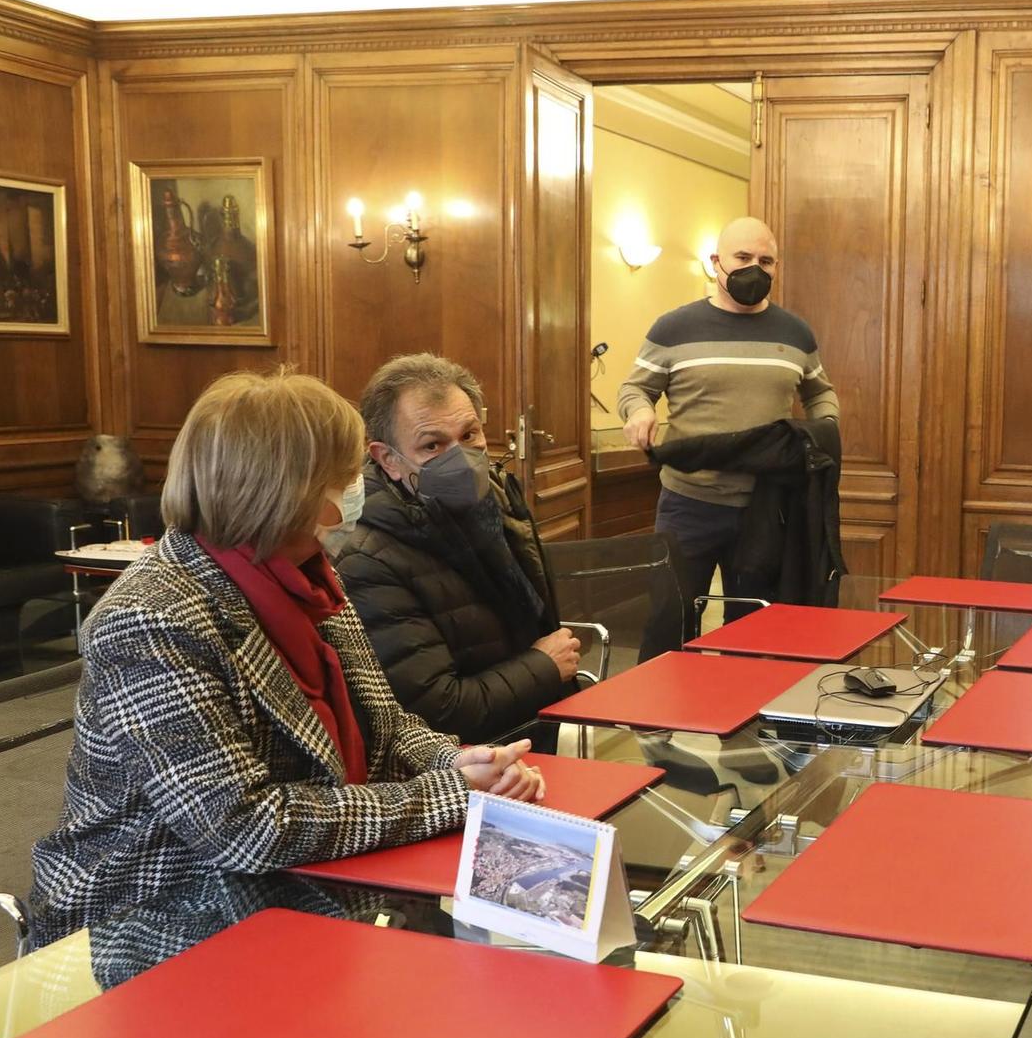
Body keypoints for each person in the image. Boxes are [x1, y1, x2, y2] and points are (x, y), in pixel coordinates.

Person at [29, 369, 542, 930]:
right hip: (160, 915)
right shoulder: (150, 617)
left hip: (308, 881)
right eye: (344, 476)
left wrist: (466, 765)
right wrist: (448, 794)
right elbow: (243, 828)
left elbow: (388, 727)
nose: (357, 489)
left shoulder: (311, 577)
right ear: (283, 491)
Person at [617, 216, 840, 660]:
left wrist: (823, 435)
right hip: (688, 506)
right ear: (716, 261)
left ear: (777, 267)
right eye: (743, 258)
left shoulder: (795, 333)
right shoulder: (673, 328)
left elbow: (820, 392)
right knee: (670, 622)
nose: (754, 268)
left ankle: (742, 724)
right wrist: (639, 411)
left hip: (766, 509)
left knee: (755, 630)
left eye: (765, 260)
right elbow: (635, 388)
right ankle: (659, 727)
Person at [331, 353, 579, 749]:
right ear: (388, 460)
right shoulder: (365, 557)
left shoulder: (498, 499)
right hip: (469, 763)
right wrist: (543, 667)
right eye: (433, 445)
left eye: (469, 436)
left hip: (541, 723)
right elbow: (434, 712)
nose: (460, 458)